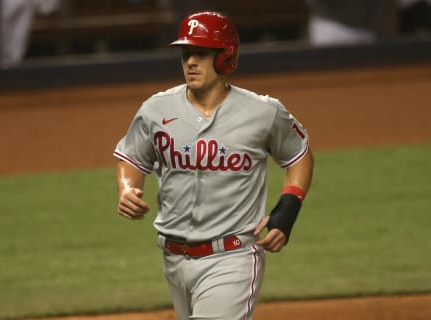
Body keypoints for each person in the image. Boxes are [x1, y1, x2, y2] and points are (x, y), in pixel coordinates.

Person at [114, 11, 314, 320]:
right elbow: (131, 157)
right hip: (173, 258)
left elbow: (299, 155)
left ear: (225, 57)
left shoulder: (262, 112)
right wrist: (128, 188)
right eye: (186, 54)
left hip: (233, 258)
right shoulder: (156, 109)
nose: (190, 62)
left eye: (201, 53)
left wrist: (286, 212)